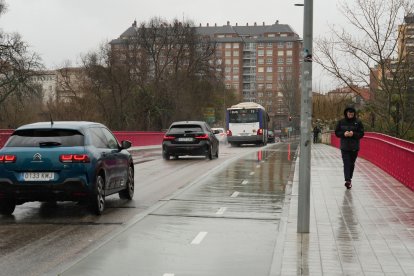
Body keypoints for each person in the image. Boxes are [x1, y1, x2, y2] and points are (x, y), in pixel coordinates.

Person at [335, 106, 364, 189]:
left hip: (354, 147)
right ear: (346, 113)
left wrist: (353, 134)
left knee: (351, 164)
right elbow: (337, 132)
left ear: (354, 114)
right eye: (349, 113)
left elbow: (362, 134)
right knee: (346, 163)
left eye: (352, 114)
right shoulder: (341, 122)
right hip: (344, 147)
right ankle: (347, 180)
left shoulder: (358, 122)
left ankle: (349, 179)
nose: (350, 115)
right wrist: (344, 134)